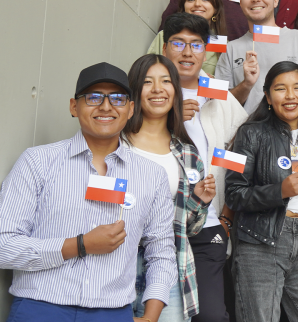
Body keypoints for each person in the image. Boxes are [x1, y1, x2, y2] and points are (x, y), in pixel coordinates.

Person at [0, 62, 176, 322]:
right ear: (74, 106)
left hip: (113, 313)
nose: (106, 106)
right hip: (40, 308)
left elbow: (161, 253)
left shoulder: (152, 176)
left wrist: (151, 317)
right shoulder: (37, 162)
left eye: (117, 98)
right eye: (93, 97)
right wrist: (79, 245)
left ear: (130, 109)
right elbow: (4, 245)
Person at [225, 61, 298, 322]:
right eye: (281, 89)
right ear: (267, 96)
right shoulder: (250, 133)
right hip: (260, 242)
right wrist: (279, 191)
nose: (290, 96)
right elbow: (235, 193)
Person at [160, 12, 249, 322]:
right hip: (157, 226)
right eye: (179, 43)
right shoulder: (151, 93)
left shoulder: (220, 96)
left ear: (206, 51)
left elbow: (244, 157)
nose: (187, 52)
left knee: (211, 315)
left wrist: (227, 216)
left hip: (209, 226)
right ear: (164, 48)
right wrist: (169, 119)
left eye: (196, 45)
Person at [123, 54, 215, 322]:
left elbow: (189, 228)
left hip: (168, 266)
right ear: (135, 91)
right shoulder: (115, 144)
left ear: (175, 90)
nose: (157, 89)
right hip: (116, 264)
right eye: (147, 82)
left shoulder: (188, 154)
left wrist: (199, 201)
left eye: (165, 81)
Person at [215, 0, 298, 113]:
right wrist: (246, 84)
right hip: (246, 132)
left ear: (275, 1)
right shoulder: (230, 49)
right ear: (241, 4)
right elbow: (219, 106)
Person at [148, 0, 227, 76]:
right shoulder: (164, 35)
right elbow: (147, 71)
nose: (197, 4)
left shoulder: (224, 45)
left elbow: (226, 82)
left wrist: (212, 81)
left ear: (215, 8)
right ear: (183, 6)